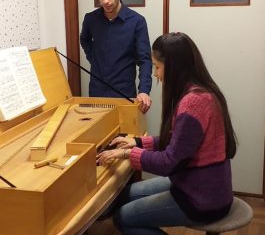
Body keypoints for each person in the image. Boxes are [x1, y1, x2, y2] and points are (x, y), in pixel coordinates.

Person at [96, 32, 237, 235]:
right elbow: (179, 142)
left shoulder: (193, 104)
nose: (155, 74)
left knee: (123, 218)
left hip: (201, 199)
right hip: (198, 184)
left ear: (174, 68)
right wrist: (136, 141)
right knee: (125, 195)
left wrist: (127, 154)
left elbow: (168, 163)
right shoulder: (201, 91)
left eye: (157, 67)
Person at [80, 0, 153, 113]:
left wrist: (144, 90)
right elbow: (84, 40)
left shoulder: (137, 21)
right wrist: (94, 59)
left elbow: (145, 59)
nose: (105, 1)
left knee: (125, 134)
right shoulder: (90, 19)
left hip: (124, 93)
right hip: (97, 93)